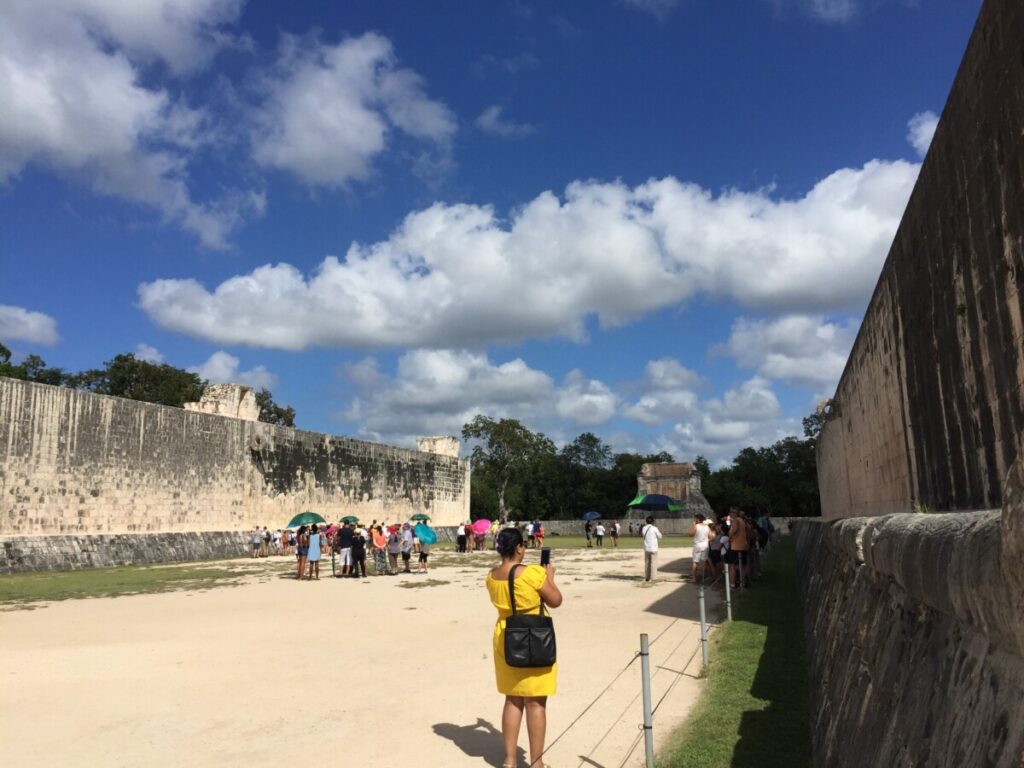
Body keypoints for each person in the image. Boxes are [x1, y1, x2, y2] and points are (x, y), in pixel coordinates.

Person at [486, 527, 563, 768]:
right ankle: (537, 762)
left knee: (513, 699)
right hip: (533, 636)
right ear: (519, 548)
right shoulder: (532, 574)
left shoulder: (491, 576)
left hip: (506, 634)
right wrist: (549, 576)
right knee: (535, 702)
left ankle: (509, 760)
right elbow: (556, 600)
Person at [689, 514, 711, 582]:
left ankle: (694, 578)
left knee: (695, 562)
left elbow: (690, 534)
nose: (694, 520)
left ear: (698, 520)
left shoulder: (696, 526)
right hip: (705, 545)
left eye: (695, 519)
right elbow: (710, 536)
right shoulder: (707, 527)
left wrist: (692, 525)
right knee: (704, 562)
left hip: (697, 545)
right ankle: (703, 578)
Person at [641, 516, 662, 582]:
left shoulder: (644, 528)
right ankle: (653, 577)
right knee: (653, 563)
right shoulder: (654, 528)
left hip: (646, 548)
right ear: (653, 521)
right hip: (653, 548)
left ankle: (647, 577)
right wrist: (656, 528)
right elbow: (660, 536)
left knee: (647, 563)